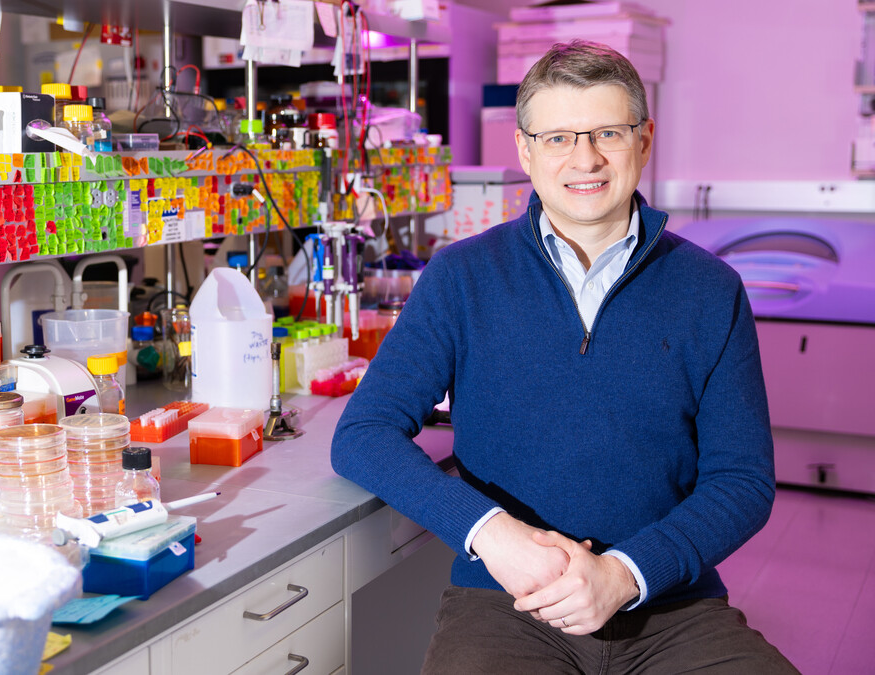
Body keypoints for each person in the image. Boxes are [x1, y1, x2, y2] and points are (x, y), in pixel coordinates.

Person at [331, 40, 798, 674]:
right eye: (556, 138)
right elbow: (363, 432)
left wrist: (624, 575)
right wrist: (493, 534)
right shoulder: (462, 277)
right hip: (508, 607)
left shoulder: (710, 290)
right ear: (524, 149)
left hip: (670, 609)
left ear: (644, 139)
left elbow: (742, 482)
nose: (585, 158)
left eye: (608, 131)